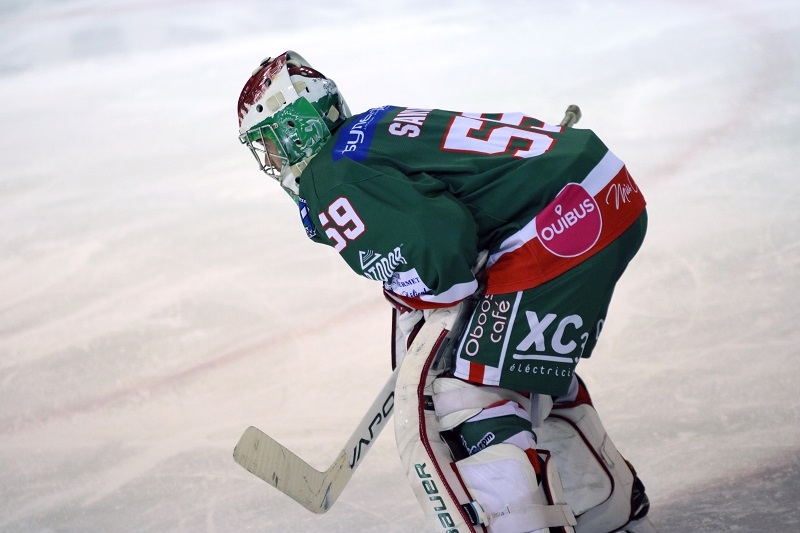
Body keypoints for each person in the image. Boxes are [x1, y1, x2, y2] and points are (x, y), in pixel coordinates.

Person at [237, 51, 654, 533]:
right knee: (522, 377)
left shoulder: (330, 177)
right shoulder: (369, 131)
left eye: (268, 143)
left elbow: (437, 245)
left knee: (467, 394)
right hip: (598, 196)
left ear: (297, 128)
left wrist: (431, 293)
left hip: (559, 226)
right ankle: (610, 510)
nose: (269, 160)